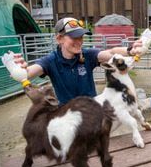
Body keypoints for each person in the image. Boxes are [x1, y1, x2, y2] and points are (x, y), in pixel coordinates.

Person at [14, 17, 143, 105]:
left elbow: (110, 53)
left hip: (91, 111)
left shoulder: (88, 55)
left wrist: (130, 50)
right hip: (68, 116)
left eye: (80, 36)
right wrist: (20, 68)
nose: (79, 41)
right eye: (74, 37)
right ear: (59, 39)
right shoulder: (50, 61)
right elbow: (29, 72)